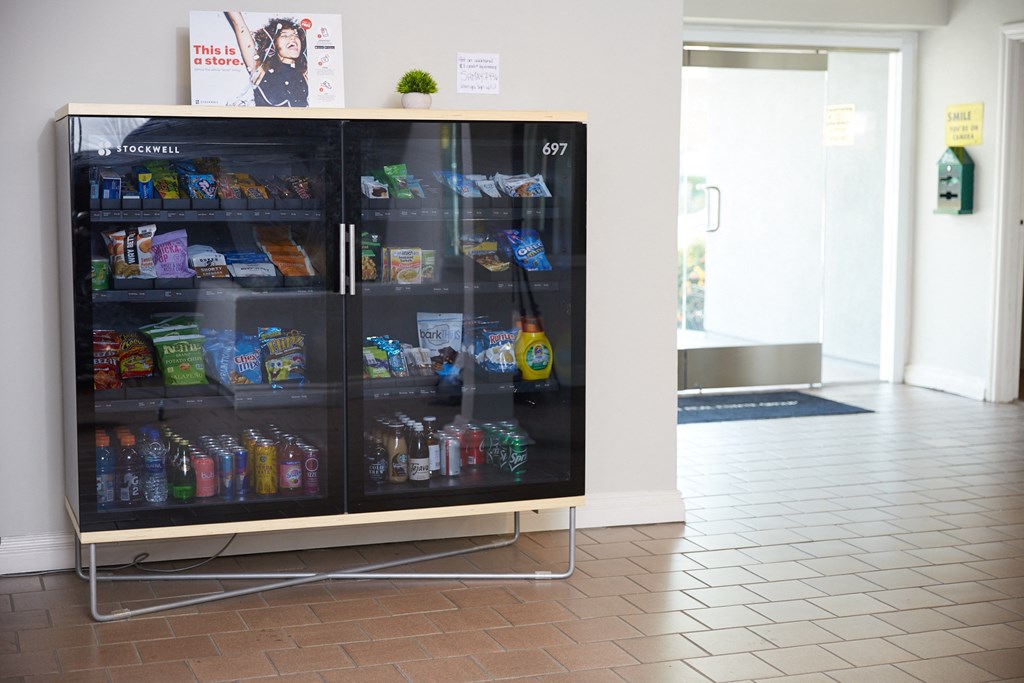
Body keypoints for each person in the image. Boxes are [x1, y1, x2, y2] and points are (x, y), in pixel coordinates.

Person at [225, 12, 309, 107]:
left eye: (296, 35)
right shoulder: (260, 69)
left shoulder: (306, 75)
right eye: (285, 35)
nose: (293, 37)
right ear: (272, 44)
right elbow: (239, 25)